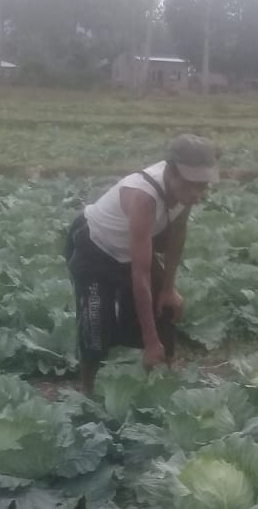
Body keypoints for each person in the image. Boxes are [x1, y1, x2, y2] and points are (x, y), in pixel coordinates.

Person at [64, 134, 218, 393]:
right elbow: (140, 274)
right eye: (191, 185)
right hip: (94, 248)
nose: (196, 194)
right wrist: (149, 342)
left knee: (165, 310)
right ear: (171, 172)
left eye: (203, 187)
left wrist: (169, 288)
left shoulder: (185, 192)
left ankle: (161, 385)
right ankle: (87, 390)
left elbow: (177, 233)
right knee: (95, 323)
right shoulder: (144, 197)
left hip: (129, 250)